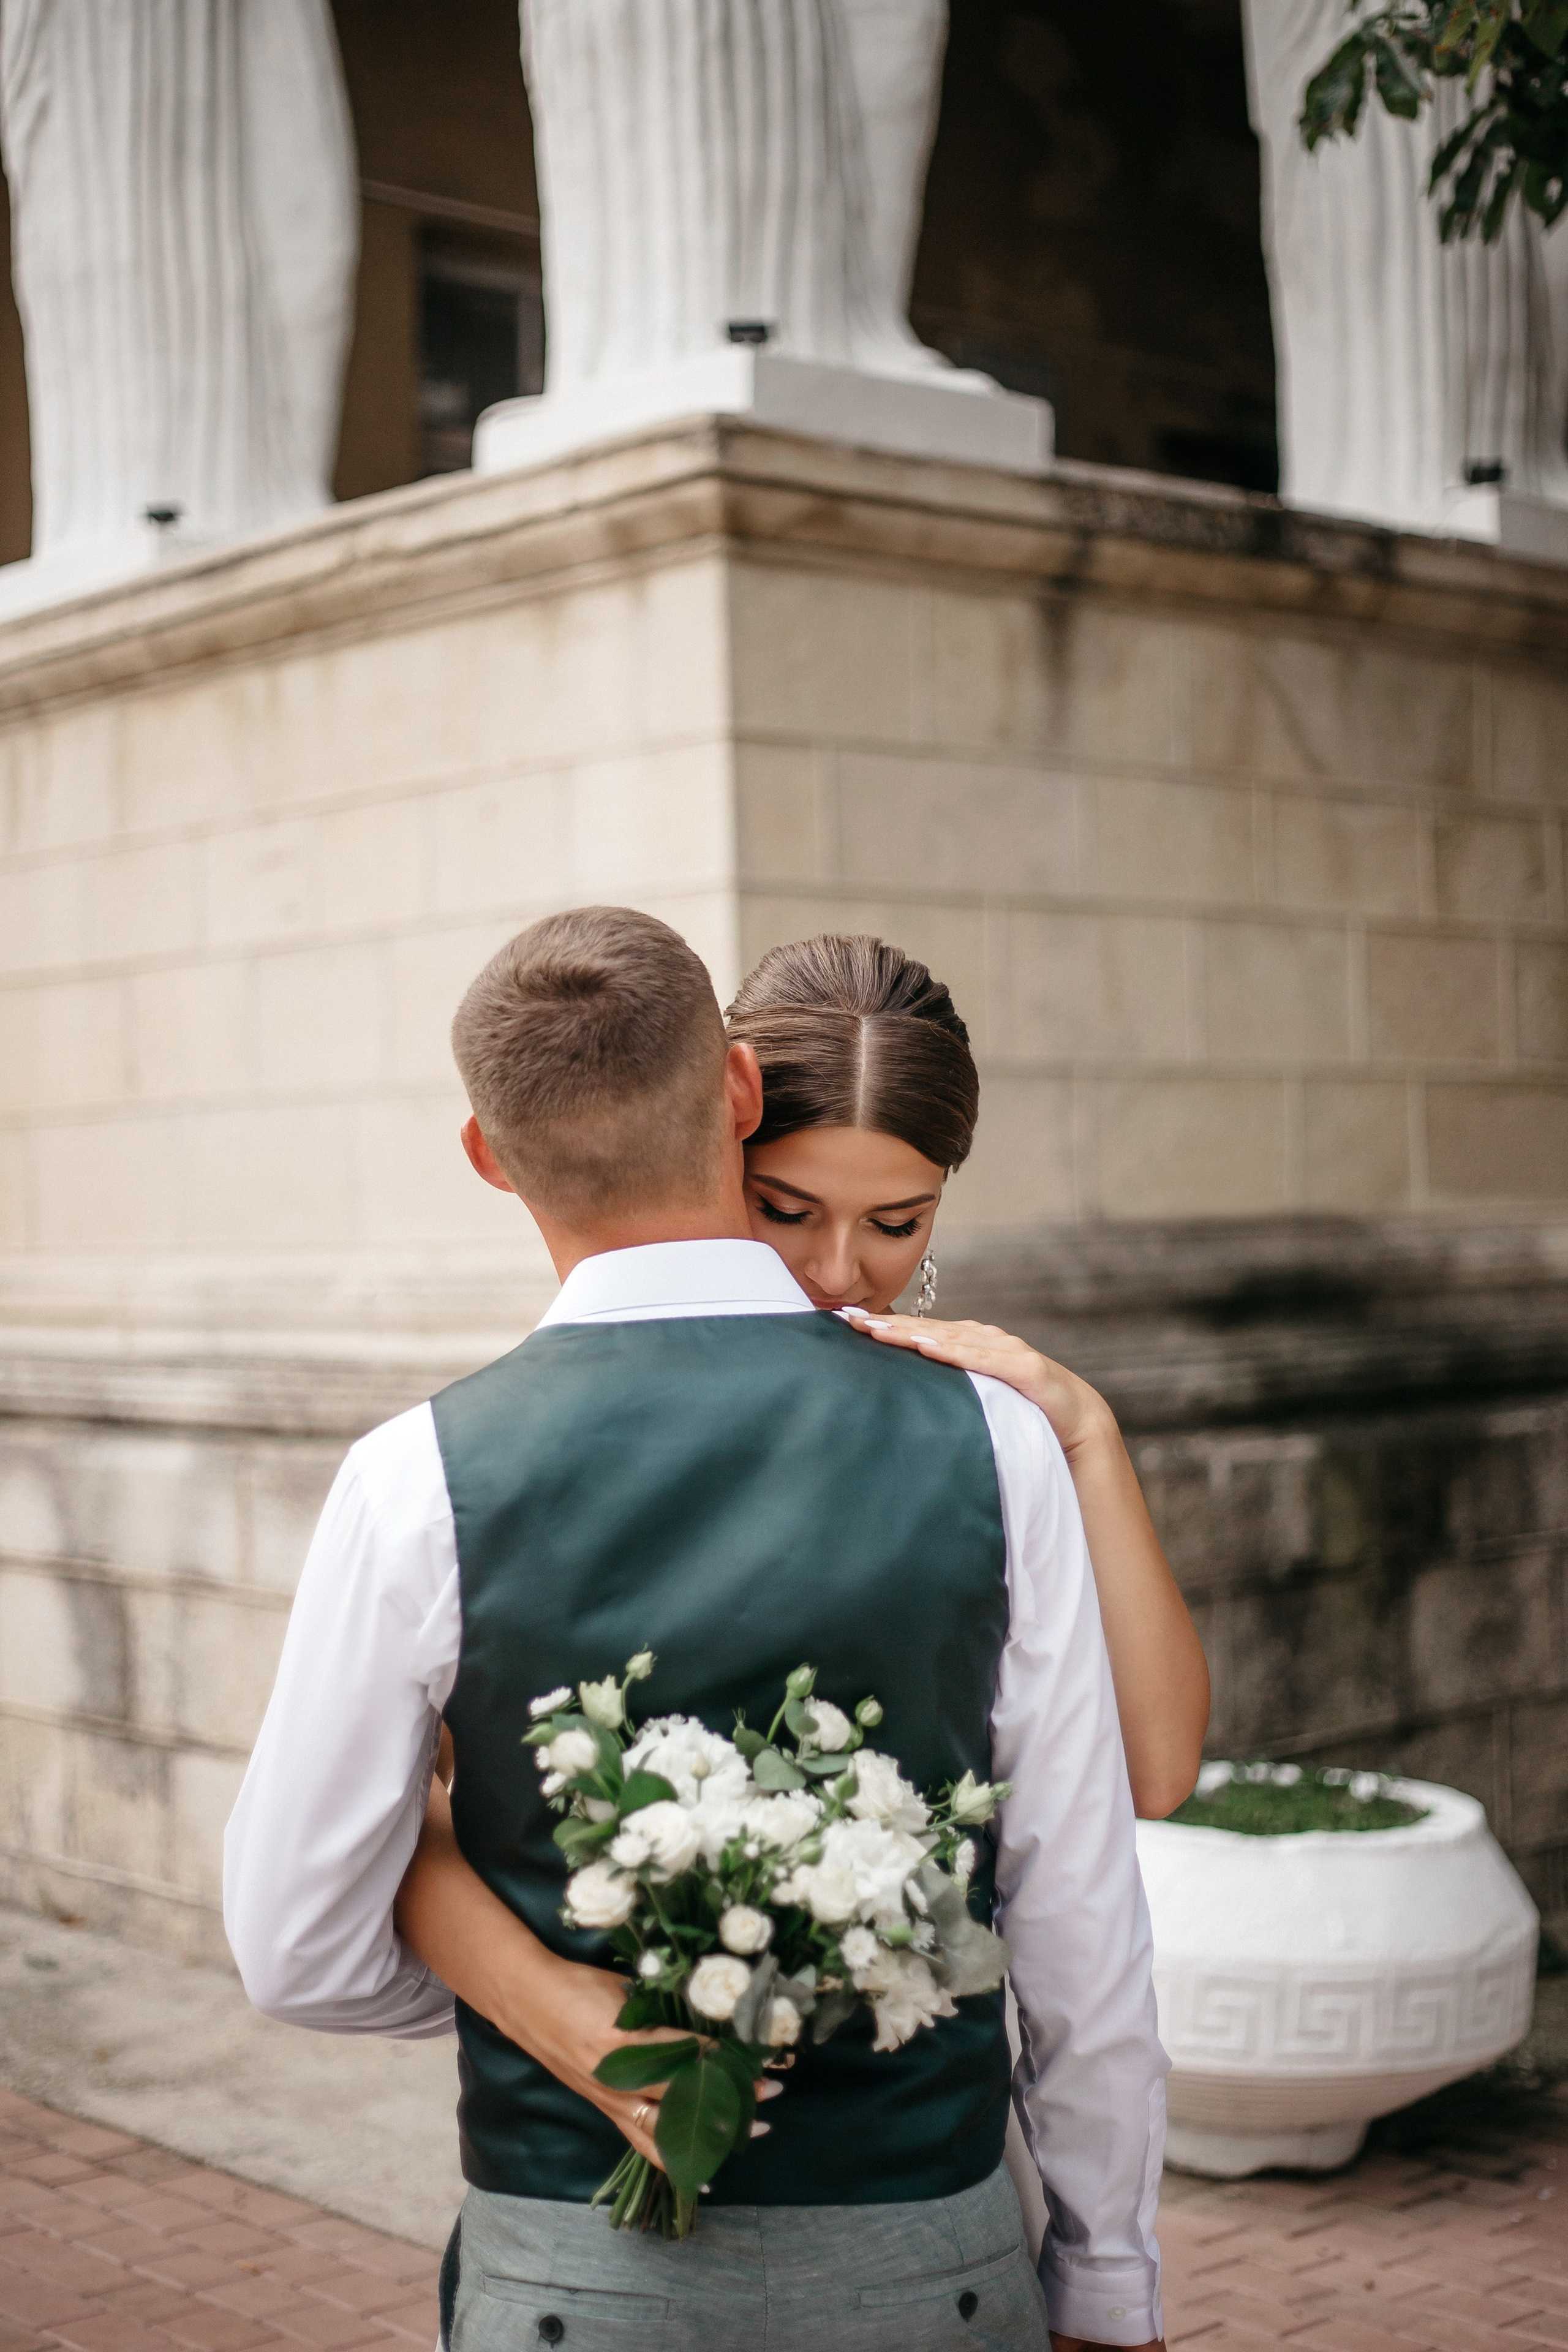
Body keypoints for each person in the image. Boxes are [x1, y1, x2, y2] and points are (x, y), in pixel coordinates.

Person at [224, 906, 1170, 2352]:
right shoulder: (992, 1440)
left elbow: (298, 1950)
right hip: (929, 2259)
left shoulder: (413, 1479)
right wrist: (1107, 2283)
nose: (843, 1262)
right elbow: (1075, 1917)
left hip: (576, 2269)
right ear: (738, 1091)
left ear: (486, 1155)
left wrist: (538, 2002)